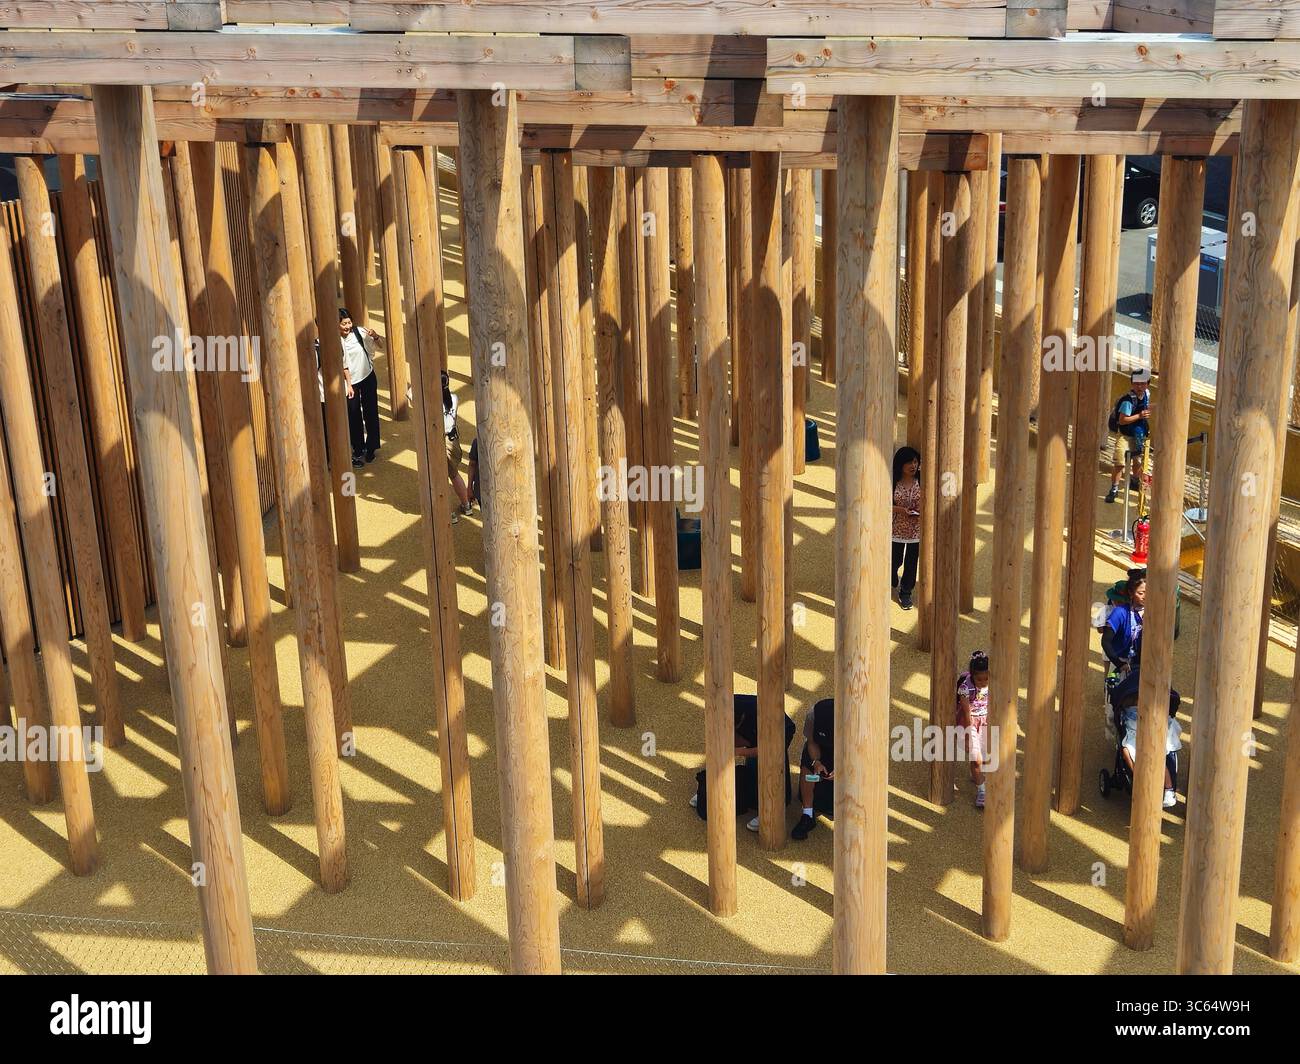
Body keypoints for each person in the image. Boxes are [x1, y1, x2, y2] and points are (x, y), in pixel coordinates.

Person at [692, 694, 795, 821]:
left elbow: (766, 751)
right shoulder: (726, 706)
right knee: (722, 746)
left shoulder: (771, 720)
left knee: (770, 761)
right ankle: (708, 790)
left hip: (779, 732)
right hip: (752, 724)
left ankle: (770, 811)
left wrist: (739, 751)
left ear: (740, 721)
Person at [1110, 633, 1181, 809]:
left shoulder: (1142, 682)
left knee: (1155, 754)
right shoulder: (1145, 682)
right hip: (1138, 726)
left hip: (1153, 726)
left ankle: (1167, 788)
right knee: (1130, 751)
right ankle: (1142, 780)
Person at [338, 308, 382, 466]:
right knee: (353, 415)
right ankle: (358, 447)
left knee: (371, 412)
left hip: (367, 376)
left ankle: (371, 448)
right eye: (344, 324)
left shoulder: (360, 332)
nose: (347, 326)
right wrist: (348, 384)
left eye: (349, 322)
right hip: (350, 383)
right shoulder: (335, 340)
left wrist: (375, 336)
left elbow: (379, 345)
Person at [788, 697, 835, 840]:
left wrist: (843, 768)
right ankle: (807, 814)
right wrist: (816, 762)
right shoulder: (813, 715)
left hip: (849, 753)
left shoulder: (856, 721)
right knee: (808, 766)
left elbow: (859, 752)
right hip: (821, 749)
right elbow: (811, 742)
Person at [1105, 367, 1151, 503]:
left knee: (1138, 461)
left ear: (1147, 384)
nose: (1139, 386)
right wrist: (1140, 416)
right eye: (1136, 383)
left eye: (1142, 383)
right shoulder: (1128, 401)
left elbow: (1147, 406)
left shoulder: (1146, 394)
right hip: (1125, 436)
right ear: (1132, 383)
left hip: (1138, 435)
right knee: (1120, 463)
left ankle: (1135, 481)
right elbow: (1122, 420)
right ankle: (1114, 489)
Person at [956, 651, 991, 808]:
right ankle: (982, 790)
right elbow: (966, 712)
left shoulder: (992, 684)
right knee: (976, 759)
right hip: (970, 722)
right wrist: (969, 734)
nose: (983, 682)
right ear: (972, 675)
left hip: (987, 721)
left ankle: (975, 774)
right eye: (979, 679)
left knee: (985, 756)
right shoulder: (966, 688)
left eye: (986, 678)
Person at [891, 445, 922, 610]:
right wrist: (900, 510)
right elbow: (883, 504)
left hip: (916, 531)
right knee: (895, 559)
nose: (913, 466)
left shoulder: (922, 480)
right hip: (895, 529)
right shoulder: (893, 481)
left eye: (915, 462)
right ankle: (891, 577)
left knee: (911, 563)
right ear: (900, 464)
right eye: (909, 462)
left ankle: (906, 592)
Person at [442, 371, 474, 522]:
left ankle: (447, 512)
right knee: (454, 474)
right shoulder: (454, 398)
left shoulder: (432, 403)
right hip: (453, 440)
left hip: (440, 442)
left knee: (441, 478)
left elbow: (410, 395)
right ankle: (466, 505)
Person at [1101, 568, 1146, 674]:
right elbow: (1105, 641)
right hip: (1122, 664)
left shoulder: (1154, 613)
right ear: (1131, 592)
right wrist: (1119, 664)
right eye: (1141, 593)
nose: (1145, 596)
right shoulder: (1120, 612)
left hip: (1144, 665)